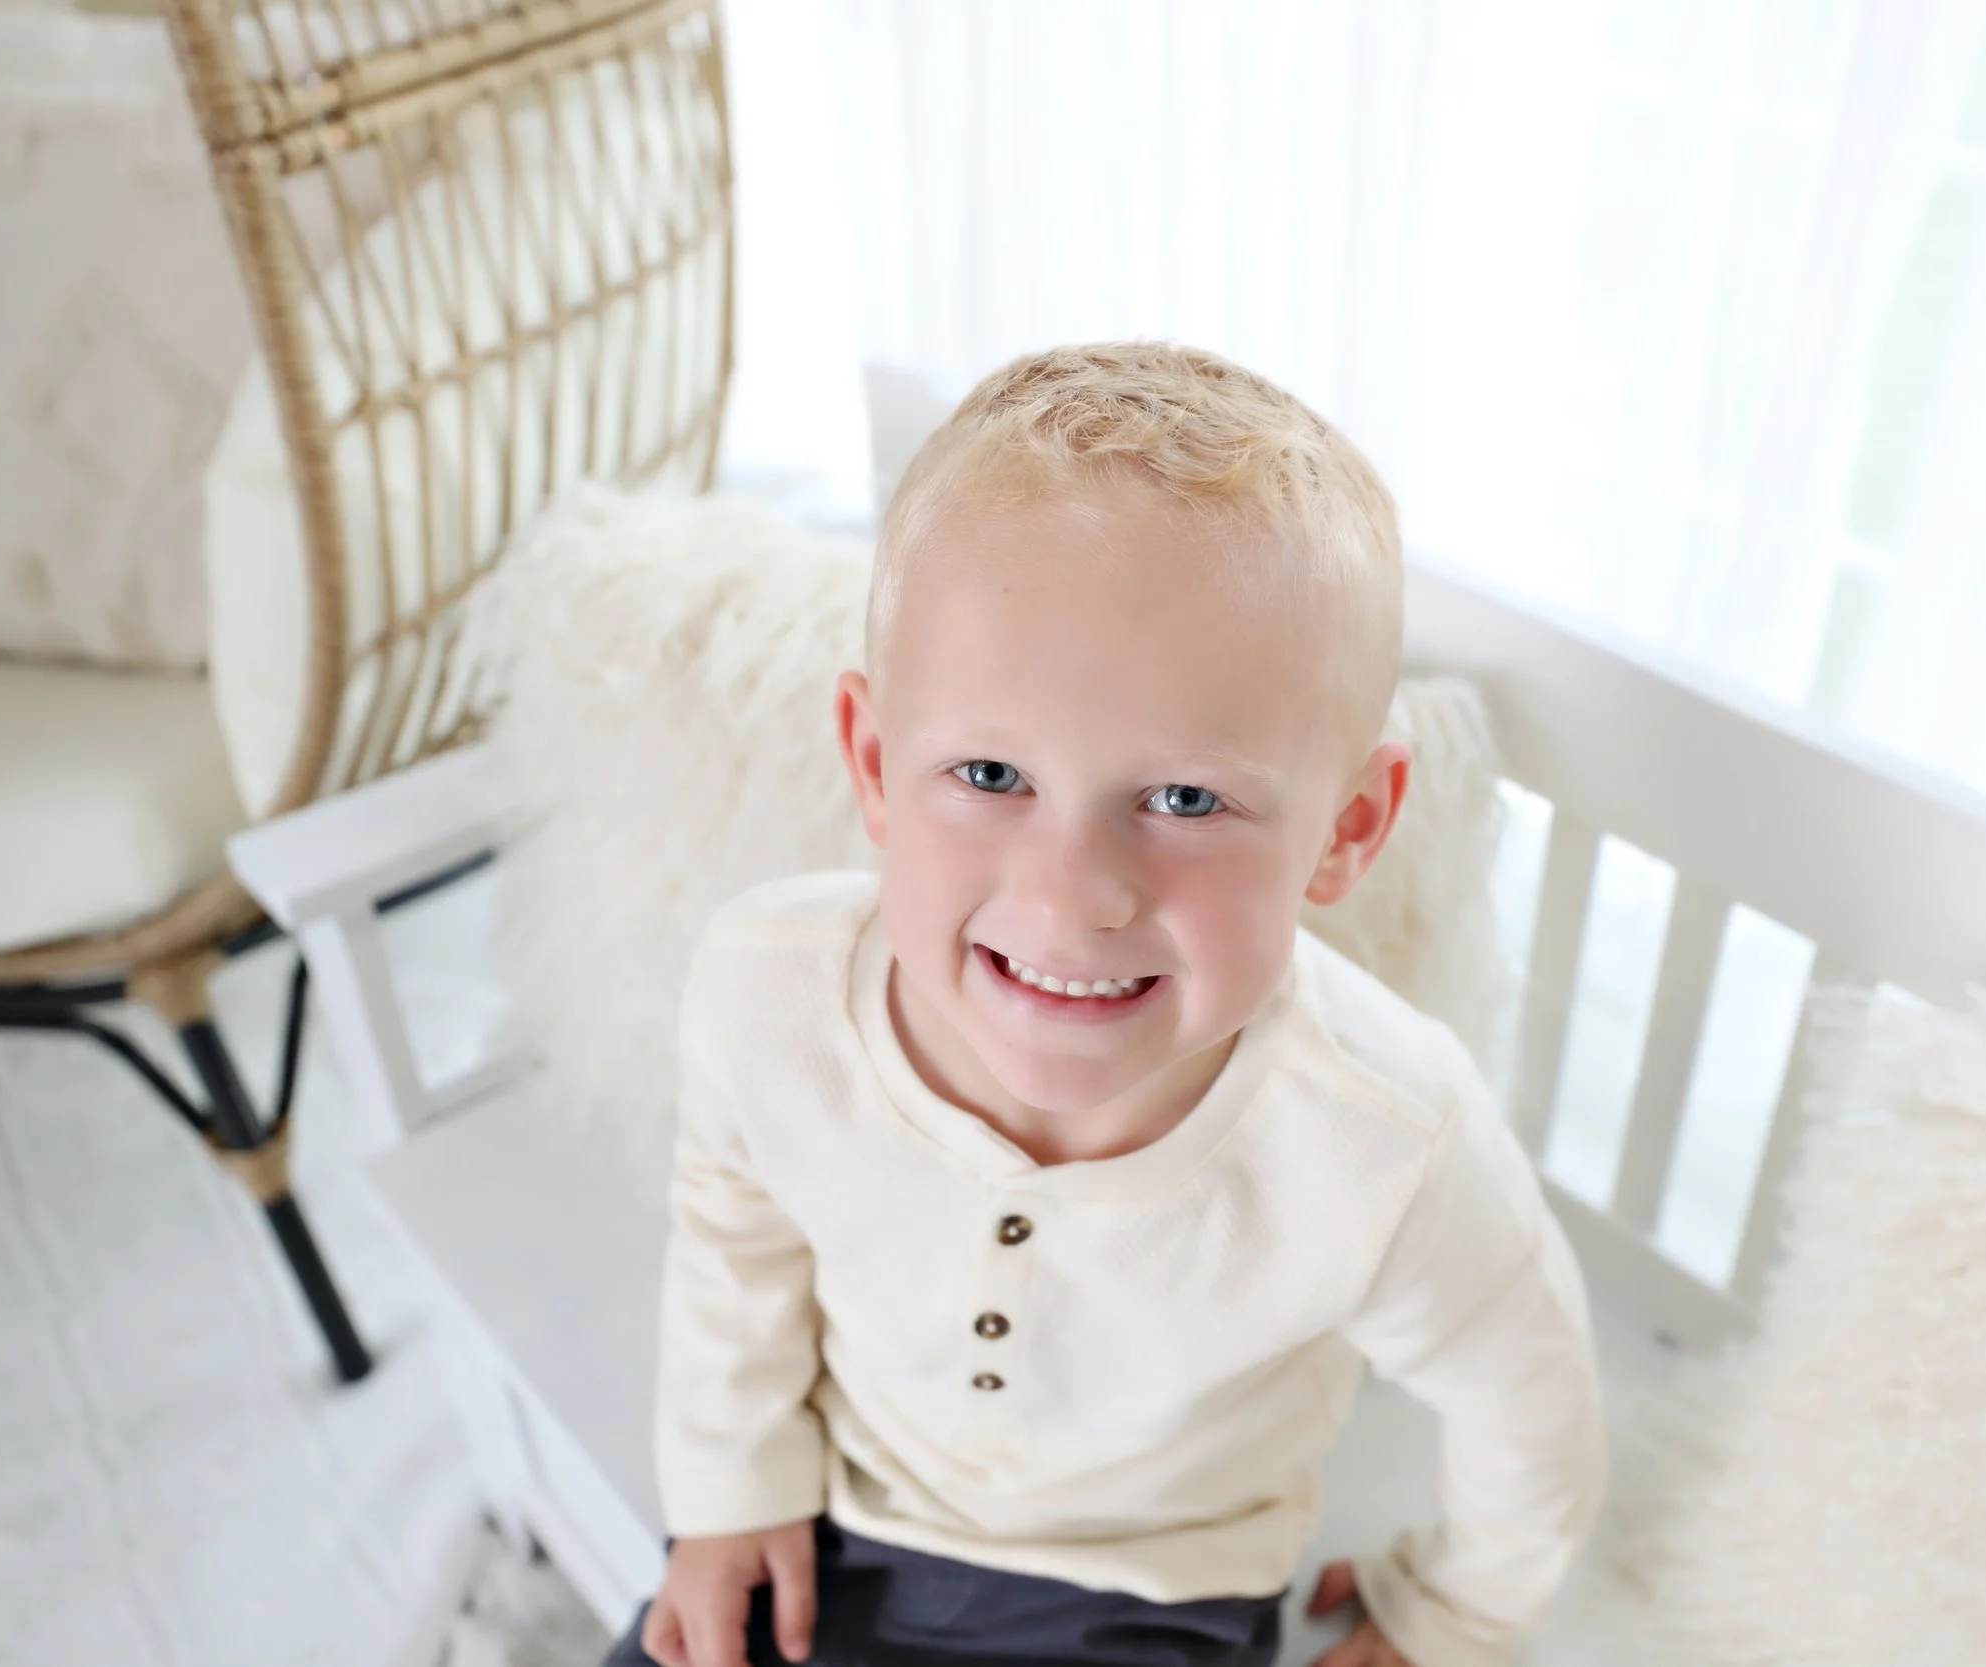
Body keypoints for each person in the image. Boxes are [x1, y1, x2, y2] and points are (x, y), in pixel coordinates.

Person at [606, 343, 1604, 1667]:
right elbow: (736, 1223)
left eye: (1185, 799)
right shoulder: (769, 989)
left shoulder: (1384, 1139)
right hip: (834, 1524)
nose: (1074, 895)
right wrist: (730, 1484)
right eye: (989, 771)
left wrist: (1455, 1614)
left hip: (1151, 1598)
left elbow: (1529, 1397)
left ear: (1348, 826)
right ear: (873, 765)